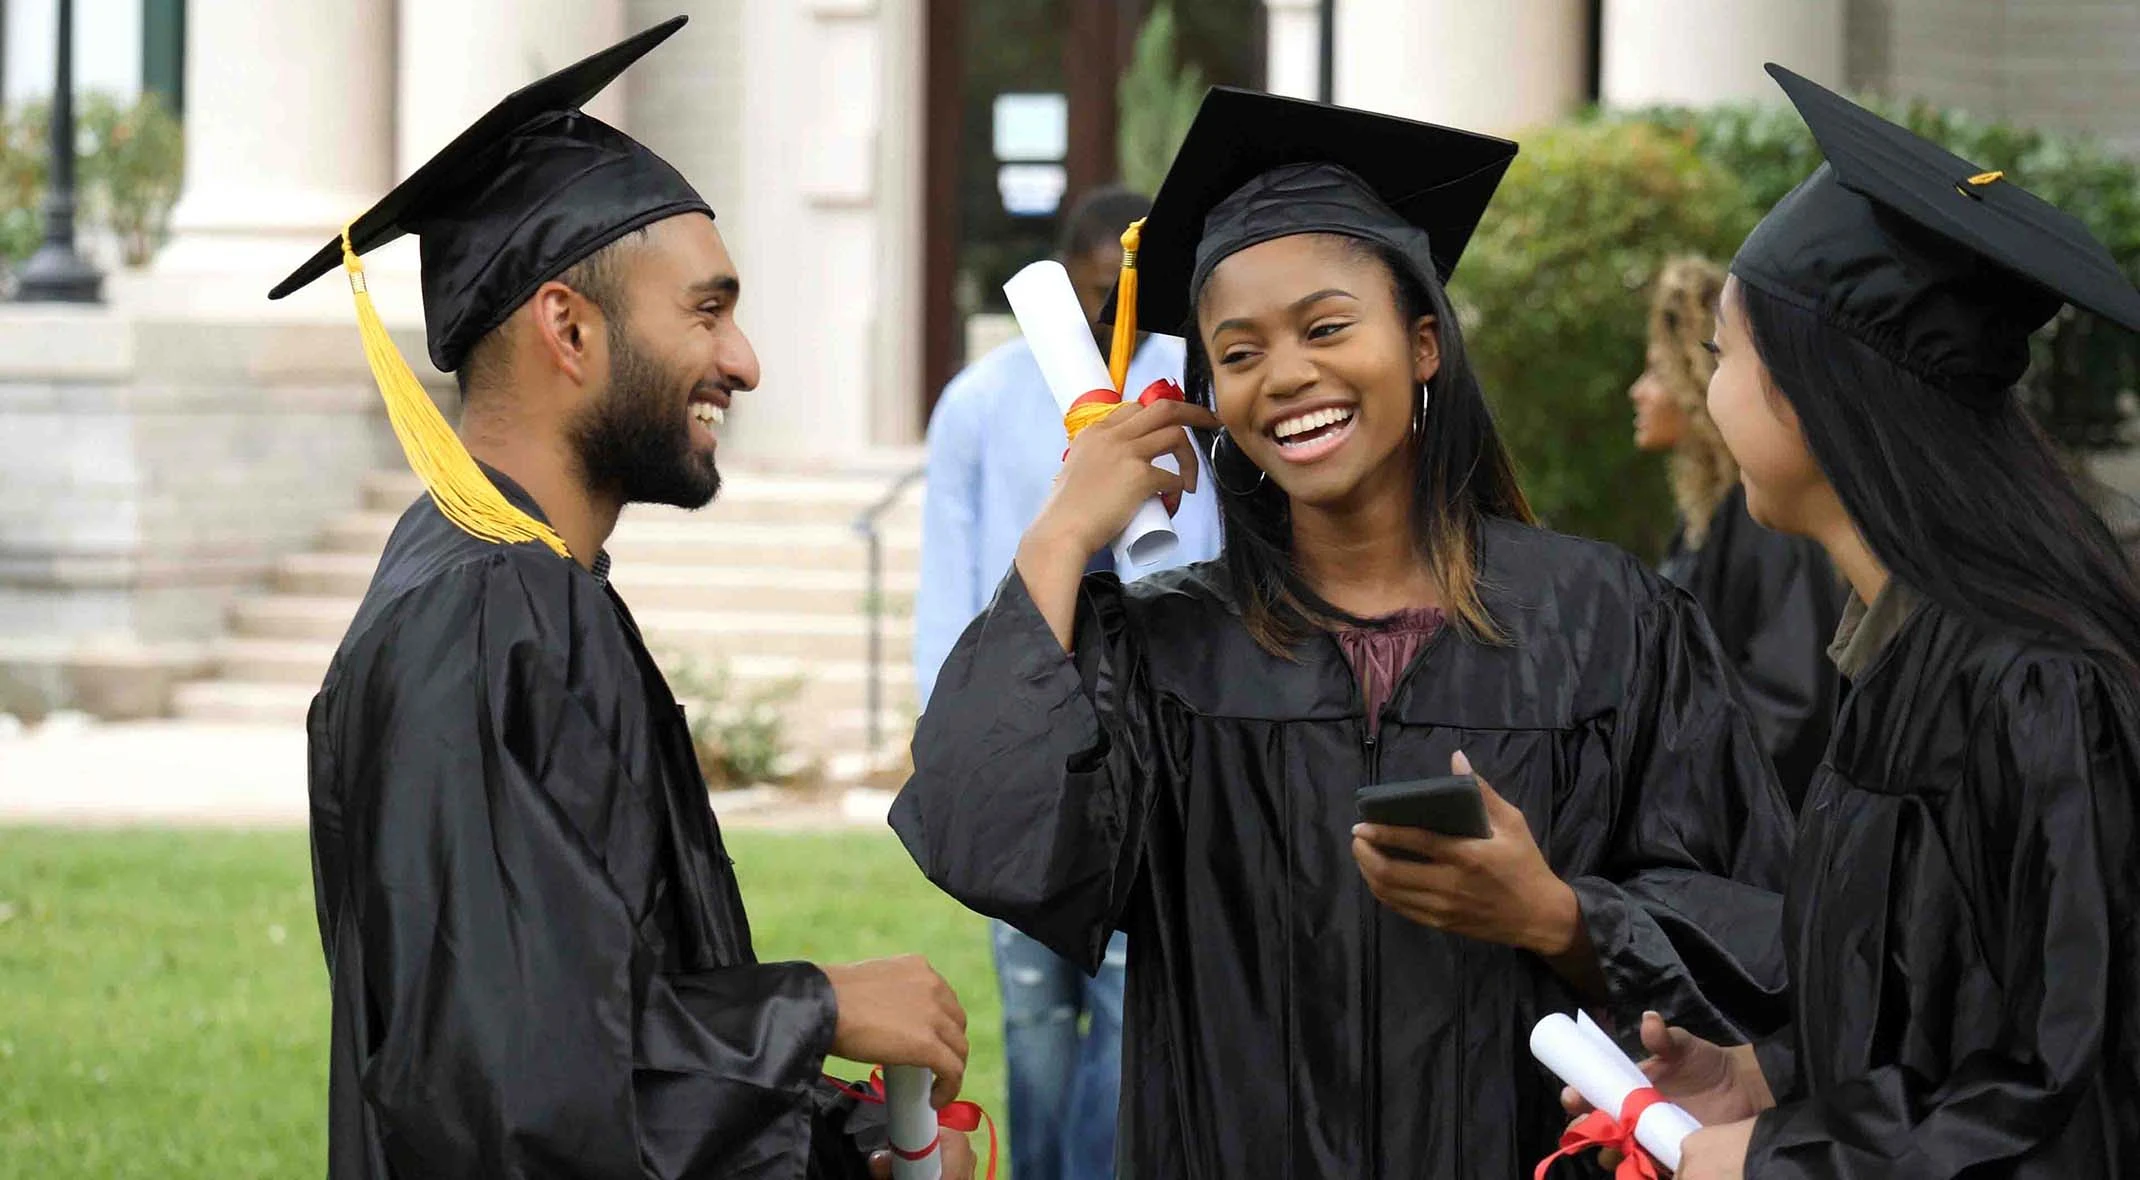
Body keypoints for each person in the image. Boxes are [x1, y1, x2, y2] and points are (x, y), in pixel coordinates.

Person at [891, 87, 1795, 1178]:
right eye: (1238, 351)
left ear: (1421, 345)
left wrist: (1560, 919)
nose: (1286, 375)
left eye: (1326, 327)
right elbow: (983, 833)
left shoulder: (1607, 622)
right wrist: (1060, 533)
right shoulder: (1165, 648)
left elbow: (1758, 935)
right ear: (1208, 390)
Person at [276, 18, 975, 1179]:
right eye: (706, 310)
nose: (745, 360)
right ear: (569, 326)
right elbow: (509, 1097)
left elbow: (602, 1008)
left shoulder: (513, 583)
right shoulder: (492, 616)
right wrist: (812, 1008)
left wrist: (849, 1148)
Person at [1580, 65, 2140, 1178]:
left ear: (1814, 389)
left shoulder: (2038, 691)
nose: (1712, 386)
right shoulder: (1900, 657)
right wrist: (1771, 1076)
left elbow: (2071, 1104)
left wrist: (1773, 1159)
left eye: (1724, 354)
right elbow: (1943, 1014)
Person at [913, 185, 1220, 1180]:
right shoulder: (983, 398)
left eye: (1118, 300)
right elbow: (949, 566)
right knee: (1036, 1008)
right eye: (1090, 300)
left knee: (1133, 996)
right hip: (1031, 718)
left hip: (1155, 729)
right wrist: (954, 721)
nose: (1103, 326)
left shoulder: (1190, 390)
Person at [1629, 256, 1844, 809]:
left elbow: (1788, 703)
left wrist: (1682, 796)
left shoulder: (1765, 517)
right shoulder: (1704, 515)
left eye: (1655, 371)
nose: (1638, 391)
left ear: (1691, 378)